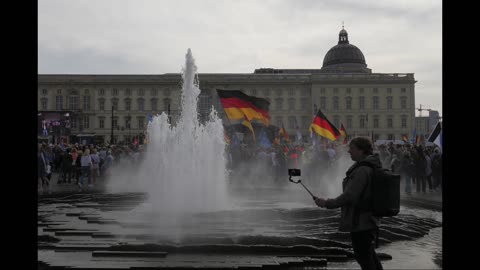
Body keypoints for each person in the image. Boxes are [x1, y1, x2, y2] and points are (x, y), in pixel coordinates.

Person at [313, 137, 383, 270]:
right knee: (368, 254)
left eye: (352, 148)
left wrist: (327, 203)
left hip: (361, 220)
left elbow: (350, 196)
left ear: (361, 150)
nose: (349, 151)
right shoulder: (368, 166)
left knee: (364, 256)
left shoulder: (363, 170)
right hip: (367, 218)